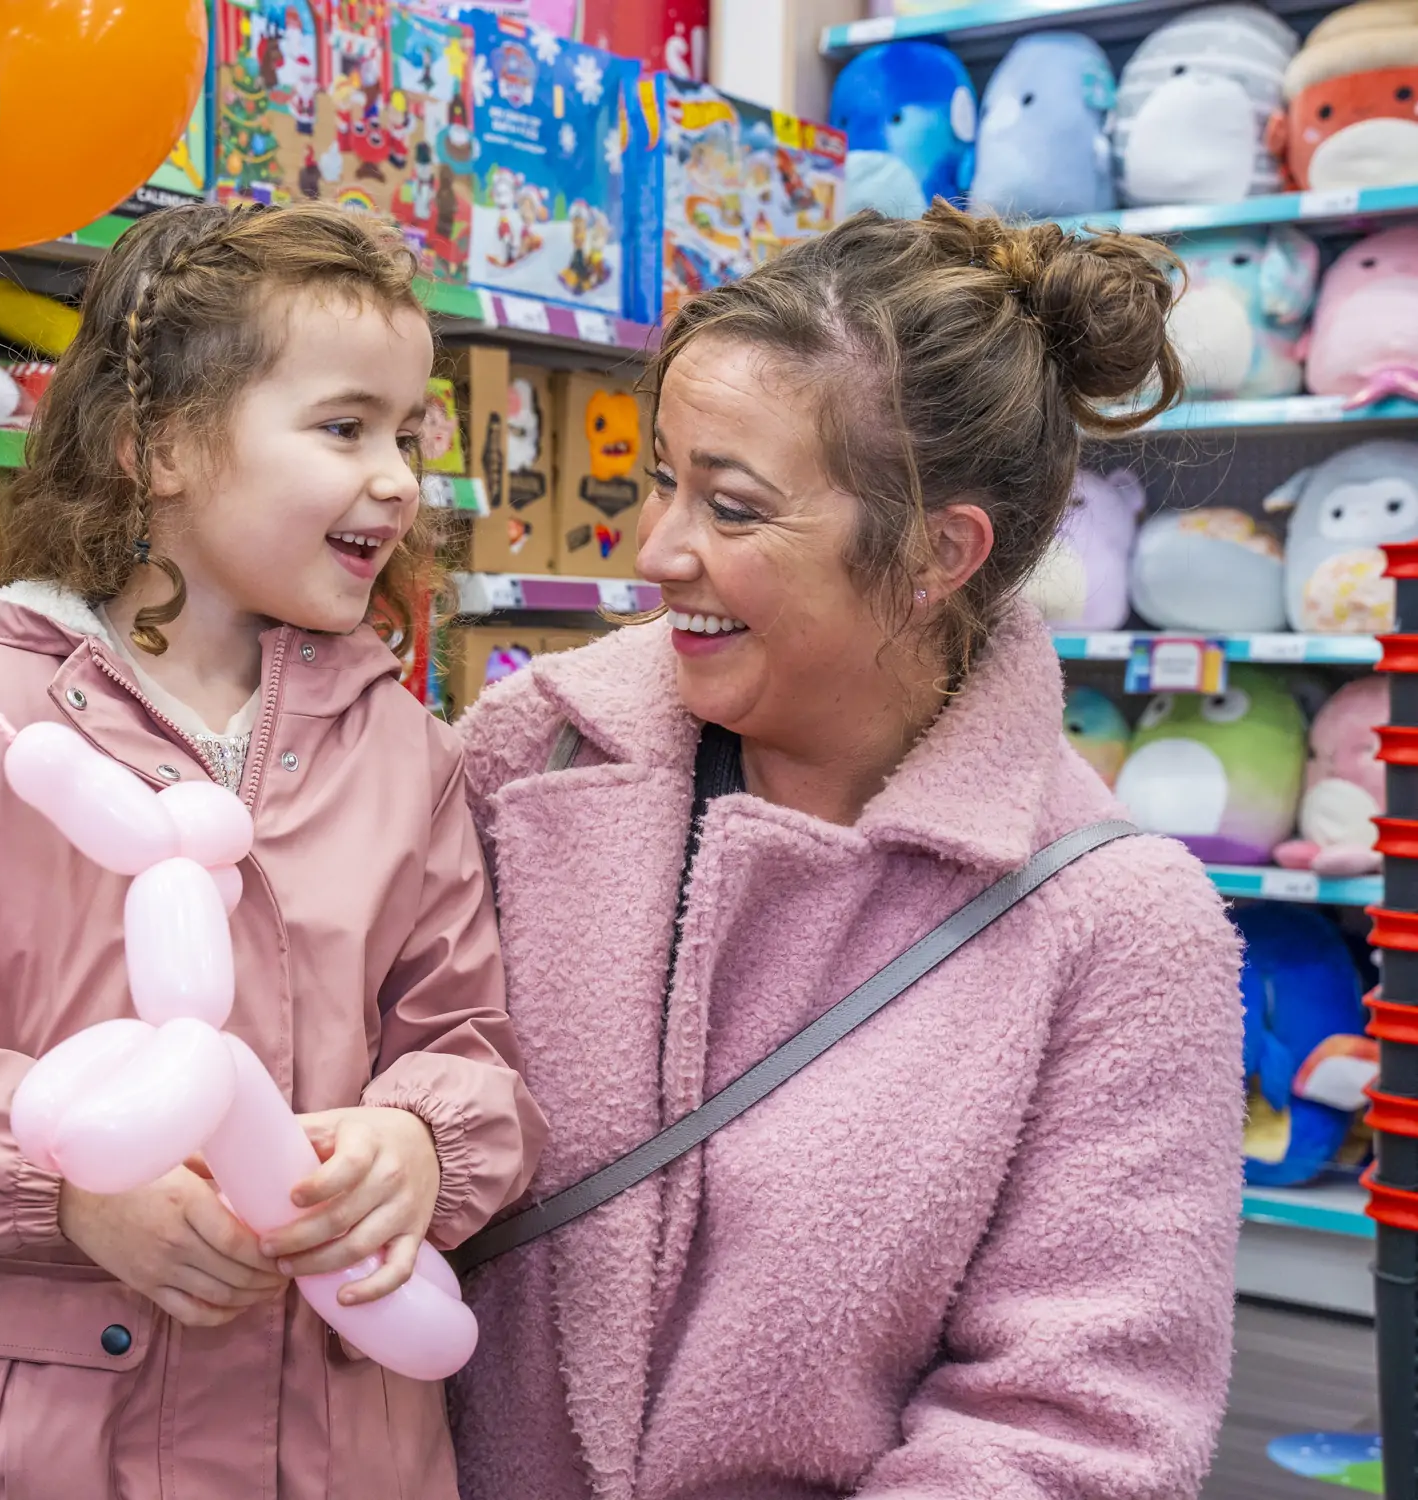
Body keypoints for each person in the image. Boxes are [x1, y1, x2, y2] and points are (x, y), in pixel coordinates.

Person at [0, 200, 544, 1500]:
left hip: (339, 1443)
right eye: (344, 428)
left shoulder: (405, 750)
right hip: (57, 1435)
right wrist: (58, 1188)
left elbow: (469, 1045)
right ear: (156, 445)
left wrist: (421, 1145)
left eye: (408, 433)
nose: (396, 476)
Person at [452, 205, 1245, 1499]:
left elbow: (1068, 1430)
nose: (657, 550)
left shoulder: (1111, 930)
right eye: (663, 477)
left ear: (937, 552)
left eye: (733, 506)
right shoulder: (527, 758)